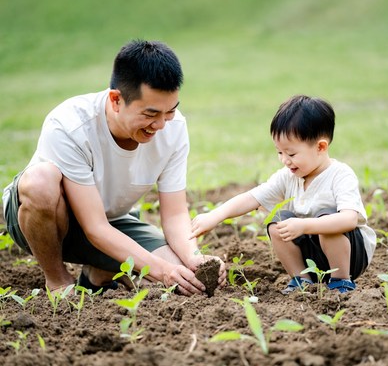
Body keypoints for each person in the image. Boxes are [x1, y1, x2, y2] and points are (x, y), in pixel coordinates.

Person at [2, 39, 226, 296]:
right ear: (116, 100)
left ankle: (96, 275)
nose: (161, 124)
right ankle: (57, 281)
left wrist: (194, 258)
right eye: (150, 114)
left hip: (110, 222)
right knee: (41, 180)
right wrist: (160, 270)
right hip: (43, 221)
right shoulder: (70, 124)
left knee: (186, 278)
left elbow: (175, 215)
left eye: (170, 111)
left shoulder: (173, 129)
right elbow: (94, 227)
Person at [191, 95, 376, 294]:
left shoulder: (340, 175)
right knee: (278, 221)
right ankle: (301, 280)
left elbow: (348, 220)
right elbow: (252, 198)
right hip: (312, 256)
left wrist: (304, 225)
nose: (285, 161)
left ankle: (341, 282)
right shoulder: (288, 176)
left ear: (321, 147)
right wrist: (215, 215)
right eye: (279, 153)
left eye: (291, 154)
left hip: (350, 257)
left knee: (327, 219)